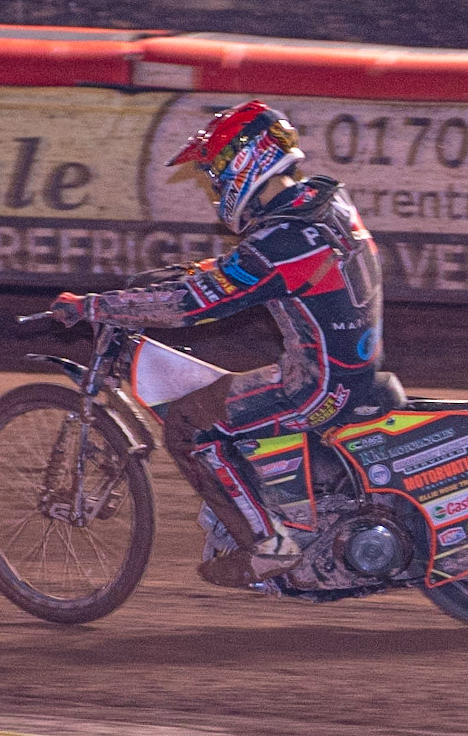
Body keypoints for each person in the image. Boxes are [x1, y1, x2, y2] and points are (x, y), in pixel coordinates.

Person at [48, 100, 384, 588]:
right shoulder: (323, 201)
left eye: (214, 174)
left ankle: (268, 545)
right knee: (227, 397)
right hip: (351, 367)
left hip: (317, 387)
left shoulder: (281, 241)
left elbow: (191, 306)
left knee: (189, 424)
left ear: (243, 163)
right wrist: (181, 274)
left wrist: (93, 307)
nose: (215, 188)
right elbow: (244, 269)